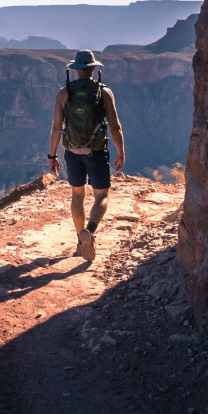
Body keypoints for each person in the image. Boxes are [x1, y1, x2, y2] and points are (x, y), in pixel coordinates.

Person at [47, 49, 125, 261]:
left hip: (72, 152)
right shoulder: (105, 92)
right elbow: (115, 127)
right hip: (97, 152)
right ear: (93, 68)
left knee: (77, 195)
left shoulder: (64, 93)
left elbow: (56, 128)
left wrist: (52, 155)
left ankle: (80, 242)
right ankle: (89, 232)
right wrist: (120, 151)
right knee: (102, 196)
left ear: (75, 71)